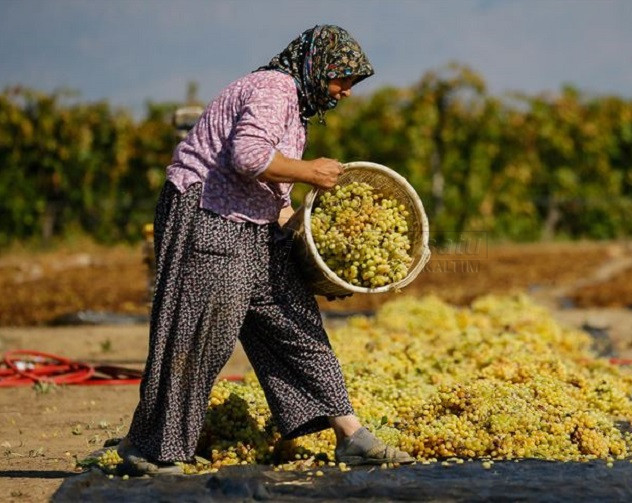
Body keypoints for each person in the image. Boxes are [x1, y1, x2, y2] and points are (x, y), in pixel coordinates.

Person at [116, 24, 414, 475]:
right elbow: (249, 157)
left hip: (253, 226)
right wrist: (312, 171)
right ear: (319, 67)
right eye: (343, 80)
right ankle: (152, 448)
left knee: (294, 319)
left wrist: (312, 259)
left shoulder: (296, 107)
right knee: (201, 334)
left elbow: (276, 195)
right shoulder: (275, 90)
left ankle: (350, 434)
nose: (346, 92)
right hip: (209, 217)